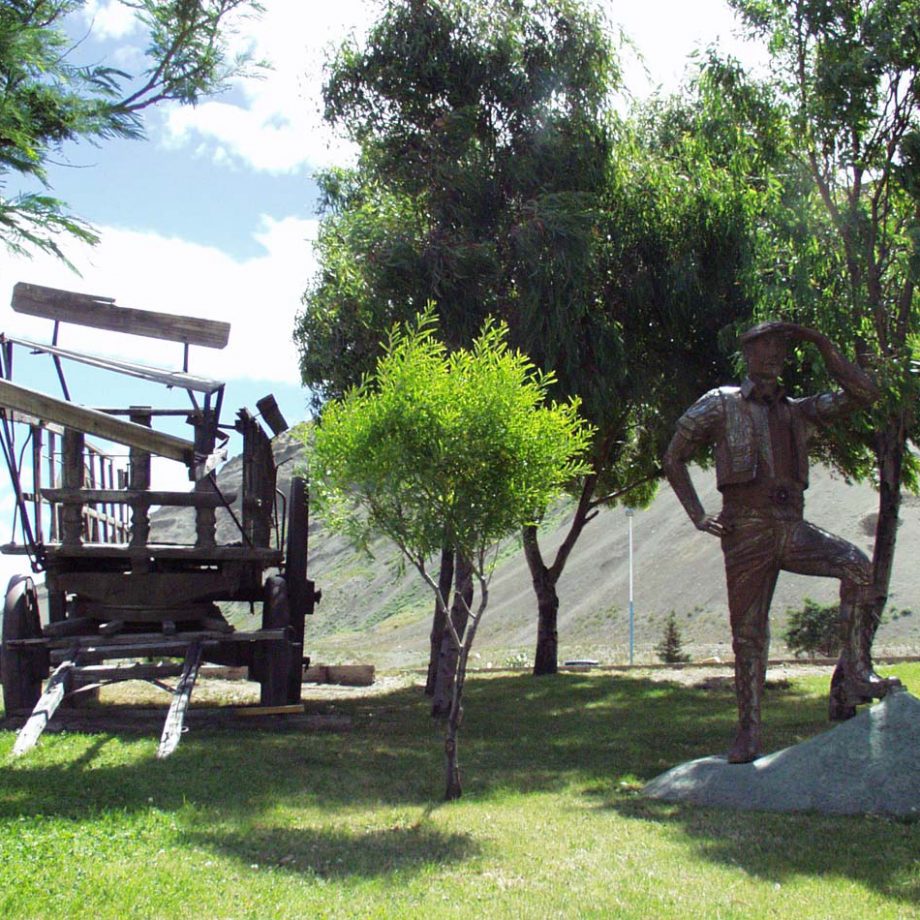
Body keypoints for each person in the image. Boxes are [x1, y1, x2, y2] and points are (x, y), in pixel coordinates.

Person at [663, 321, 901, 763]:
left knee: (857, 565)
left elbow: (864, 395)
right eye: (764, 345)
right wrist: (698, 515)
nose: (773, 354)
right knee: (749, 634)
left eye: (780, 346)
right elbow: (673, 455)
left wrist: (824, 345)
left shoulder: (799, 410)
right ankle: (749, 733)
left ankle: (854, 673)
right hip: (746, 531)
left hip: (791, 527)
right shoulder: (721, 404)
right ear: (748, 353)